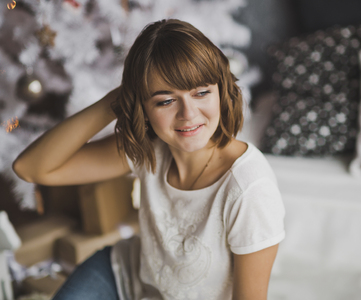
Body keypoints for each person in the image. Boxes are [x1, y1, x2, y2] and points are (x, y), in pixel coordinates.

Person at [12, 19, 285, 300]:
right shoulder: (149, 147)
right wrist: (115, 101)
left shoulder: (250, 189)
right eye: (165, 100)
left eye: (201, 92)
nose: (188, 114)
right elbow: (31, 168)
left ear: (222, 91)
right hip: (124, 273)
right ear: (142, 105)